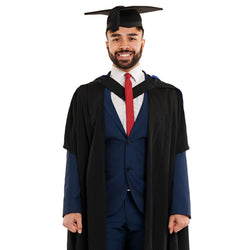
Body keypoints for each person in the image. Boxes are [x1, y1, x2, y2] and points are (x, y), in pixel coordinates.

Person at [62, 5, 191, 250]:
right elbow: (75, 152)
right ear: (107, 43)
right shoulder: (86, 96)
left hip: (152, 205)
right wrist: (72, 206)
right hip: (102, 207)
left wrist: (181, 207)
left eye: (132, 37)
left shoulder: (168, 96)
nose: (124, 45)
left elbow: (178, 152)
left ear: (143, 41)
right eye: (116, 38)